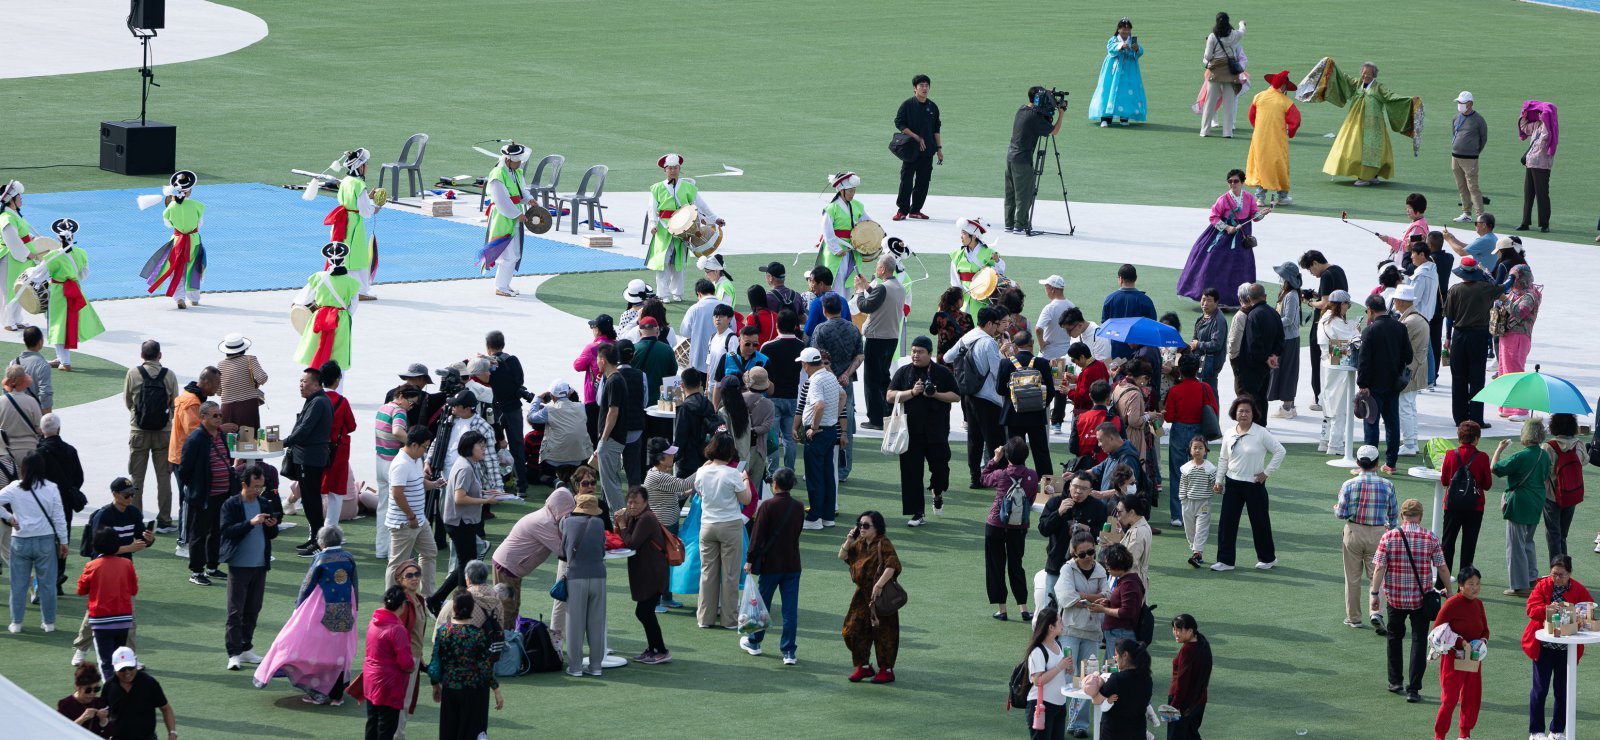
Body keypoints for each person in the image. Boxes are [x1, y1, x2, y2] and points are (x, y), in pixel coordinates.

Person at [252, 526, 358, 705]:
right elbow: (354, 584)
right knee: (338, 653)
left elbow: (307, 585)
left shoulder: (321, 559)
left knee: (309, 647)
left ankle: (319, 692)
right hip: (345, 609)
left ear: (321, 541)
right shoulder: (348, 557)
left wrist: (298, 607)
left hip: (321, 610)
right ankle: (337, 696)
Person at [1298, 58, 1423, 185]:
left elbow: (1391, 97)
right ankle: (1367, 175)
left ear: (1374, 75)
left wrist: (1409, 100)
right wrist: (1332, 66)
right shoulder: (1357, 84)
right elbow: (1344, 79)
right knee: (1355, 147)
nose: (1365, 76)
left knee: (1372, 149)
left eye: (1368, 74)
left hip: (1374, 125)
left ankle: (1368, 176)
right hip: (1355, 122)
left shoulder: (1379, 88)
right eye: (1364, 73)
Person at [1372, 498, 1449, 702]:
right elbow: (1441, 568)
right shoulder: (1430, 537)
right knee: (1418, 641)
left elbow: (1379, 568)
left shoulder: (1388, 537)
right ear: (1421, 516)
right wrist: (1449, 592)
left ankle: (1395, 681)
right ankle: (1414, 689)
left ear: (1401, 516)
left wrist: (1373, 594)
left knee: (1394, 637)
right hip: (1420, 599)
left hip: (1395, 598)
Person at [70, 479, 152, 666]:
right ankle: (81, 649)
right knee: (94, 614)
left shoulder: (133, 512)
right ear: (115, 494)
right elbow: (96, 550)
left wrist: (149, 539)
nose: (131, 497)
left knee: (129, 618)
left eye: (133, 493)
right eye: (127, 494)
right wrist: (127, 548)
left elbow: (141, 540)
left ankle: (130, 658)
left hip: (123, 571)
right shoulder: (104, 515)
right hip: (103, 571)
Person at [887, 336, 958, 525]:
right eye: (913, 351)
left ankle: (937, 492)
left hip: (937, 431)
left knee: (941, 470)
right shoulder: (903, 372)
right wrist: (912, 392)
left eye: (920, 352)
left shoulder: (942, 372)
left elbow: (956, 396)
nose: (915, 355)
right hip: (910, 432)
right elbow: (890, 395)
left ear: (929, 353)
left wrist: (935, 394)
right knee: (911, 473)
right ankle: (917, 513)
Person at [1178, 171, 1272, 308]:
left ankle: (1238, 299)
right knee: (1214, 265)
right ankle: (1216, 298)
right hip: (1222, 237)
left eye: (1236, 181)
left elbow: (1254, 216)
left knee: (1241, 266)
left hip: (1240, 238)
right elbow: (1214, 217)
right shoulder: (1223, 199)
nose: (1232, 184)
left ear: (1242, 182)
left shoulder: (1249, 198)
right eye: (1230, 181)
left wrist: (1262, 214)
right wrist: (1227, 228)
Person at [1211, 397, 1284, 571]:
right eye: (1240, 411)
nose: (1243, 414)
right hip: (1232, 483)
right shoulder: (1229, 433)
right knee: (1227, 523)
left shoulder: (1261, 433)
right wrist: (1219, 480)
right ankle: (1225, 561)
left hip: (1254, 485)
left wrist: (1266, 473)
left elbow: (1280, 451)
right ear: (1235, 413)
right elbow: (1223, 458)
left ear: (1253, 414)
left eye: (1247, 411)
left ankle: (1268, 558)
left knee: (1260, 522)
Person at [426, 431, 495, 614]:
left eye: (484, 445)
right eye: (480, 445)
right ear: (469, 447)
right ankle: (457, 603)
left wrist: (485, 496)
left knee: (465, 564)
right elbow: (460, 498)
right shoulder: (465, 467)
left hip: (462, 521)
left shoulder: (468, 464)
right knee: (467, 565)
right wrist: (485, 501)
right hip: (460, 522)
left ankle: (441, 600)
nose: (484, 449)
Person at [1523, 554, 1591, 740]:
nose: (1557, 578)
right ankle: (1536, 731)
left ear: (1570, 573)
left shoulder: (1578, 589)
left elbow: (1589, 609)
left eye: (1561, 574)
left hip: (1566, 650)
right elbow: (1530, 609)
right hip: (1544, 647)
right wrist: (1549, 609)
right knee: (1540, 690)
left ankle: (1557, 730)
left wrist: (1579, 615)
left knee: (1563, 691)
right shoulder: (1543, 586)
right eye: (1554, 574)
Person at [491, 485, 575, 629]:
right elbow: (562, 550)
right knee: (507, 608)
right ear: (558, 507)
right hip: (507, 565)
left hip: (512, 566)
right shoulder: (544, 522)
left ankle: (508, 640)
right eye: (567, 512)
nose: (568, 517)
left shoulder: (549, 517)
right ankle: (503, 643)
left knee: (513, 606)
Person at [1, 450, 67, 632]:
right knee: (47, 585)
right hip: (45, 540)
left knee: (18, 584)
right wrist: (64, 541)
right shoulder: (51, 487)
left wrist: (8, 517)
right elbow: (59, 517)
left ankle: (16, 623)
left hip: (20, 540)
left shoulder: (14, 487)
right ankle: (49, 623)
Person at [744, 467, 804, 664]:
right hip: (793, 564)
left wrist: (749, 559)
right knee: (790, 610)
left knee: (761, 605)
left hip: (770, 565)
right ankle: (788, 652)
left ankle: (755, 642)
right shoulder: (798, 507)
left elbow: (757, 536)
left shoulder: (767, 506)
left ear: (775, 484)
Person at [219, 464, 276, 670]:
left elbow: (272, 534)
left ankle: (245, 648)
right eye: (255, 486)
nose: (259, 490)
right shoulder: (231, 505)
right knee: (235, 611)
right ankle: (233, 653)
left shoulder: (264, 503)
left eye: (261, 486)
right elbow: (226, 531)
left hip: (260, 565)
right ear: (244, 484)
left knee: (253, 609)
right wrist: (250, 523)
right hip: (239, 565)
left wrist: (272, 527)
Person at [1336, 445, 1399, 631]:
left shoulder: (1349, 484)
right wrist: (1387, 529)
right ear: (1377, 463)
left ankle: (1354, 618)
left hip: (1354, 532)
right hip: (1379, 533)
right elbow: (1394, 514)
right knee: (1377, 577)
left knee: (1352, 578)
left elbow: (1341, 513)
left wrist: (1336, 509)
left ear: (1357, 463)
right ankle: (1376, 613)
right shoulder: (1387, 485)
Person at [645, 154, 723, 303]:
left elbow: (701, 205)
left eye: (676, 168)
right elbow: (651, 208)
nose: (673, 171)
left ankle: (677, 293)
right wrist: (653, 225)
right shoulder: (657, 188)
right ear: (665, 170)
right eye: (670, 168)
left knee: (678, 262)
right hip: (663, 228)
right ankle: (663, 294)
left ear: (679, 169)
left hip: (684, 229)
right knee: (663, 262)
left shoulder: (688, 187)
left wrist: (715, 219)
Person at [945, 306, 1007, 489]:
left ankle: (975, 478)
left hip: (969, 396)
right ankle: (1001, 477)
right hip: (988, 398)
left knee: (974, 440)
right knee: (995, 440)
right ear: (989, 323)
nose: (997, 328)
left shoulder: (967, 337)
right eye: (996, 324)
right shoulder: (988, 342)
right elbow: (997, 372)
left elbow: (948, 357)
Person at [695, 432, 751, 628]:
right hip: (730, 526)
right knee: (730, 575)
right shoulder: (733, 474)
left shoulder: (702, 472)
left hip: (707, 526)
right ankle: (729, 619)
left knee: (707, 574)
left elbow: (700, 491)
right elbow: (746, 499)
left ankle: (704, 618)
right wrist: (745, 480)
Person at [428, 591, 503, 738]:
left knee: (449, 731)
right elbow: (484, 666)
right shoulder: (478, 634)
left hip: (450, 689)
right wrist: (496, 689)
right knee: (470, 732)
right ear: (472, 609)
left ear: (453, 609)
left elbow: (435, 660)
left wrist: (435, 684)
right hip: (473, 691)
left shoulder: (443, 632)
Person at [176, 401, 236, 585]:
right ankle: (196, 571)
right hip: (203, 496)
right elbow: (184, 470)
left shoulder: (221, 436)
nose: (219, 419)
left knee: (216, 532)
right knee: (199, 534)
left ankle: (212, 566)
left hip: (222, 494)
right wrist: (196, 487)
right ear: (203, 418)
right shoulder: (195, 439)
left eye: (220, 415)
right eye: (214, 415)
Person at [123, 340, 179, 532]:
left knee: (136, 478)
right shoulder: (169, 375)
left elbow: (128, 401)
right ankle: (164, 519)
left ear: (141, 355)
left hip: (138, 431)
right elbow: (174, 405)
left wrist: (138, 415)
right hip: (164, 433)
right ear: (159, 355)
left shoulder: (133, 373)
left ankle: (136, 518)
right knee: (164, 478)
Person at [839, 510, 901, 684]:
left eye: (866, 525)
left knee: (885, 633)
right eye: (859, 525)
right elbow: (842, 556)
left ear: (877, 528)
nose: (862, 528)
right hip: (861, 594)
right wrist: (849, 540)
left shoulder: (883, 543)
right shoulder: (858, 543)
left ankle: (886, 669)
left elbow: (892, 565)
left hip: (880, 596)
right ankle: (863, 666)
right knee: (851, 630)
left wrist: (879, 585)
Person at [1495, 420, 1553, 597]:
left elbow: (1495, 468)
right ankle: (1531, 577)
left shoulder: (1521, 456)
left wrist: (1499, 449)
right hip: (1536, 501)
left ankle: (1519, 585)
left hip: (1520, 503)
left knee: (1515, 545)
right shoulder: (1544, 455)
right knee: (1528, 541)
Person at [982, 438, 1038, 621]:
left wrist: (994, 459)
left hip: (996, 524)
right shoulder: (1032, 476)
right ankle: (1023, 608)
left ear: (1007, 455)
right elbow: (1030, 500)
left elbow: (983, 479)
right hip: (1018, 526)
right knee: (1016, 566)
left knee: (995, 566)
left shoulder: (1000, 474)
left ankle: (1002, 609)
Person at [37, 219, 104, 369]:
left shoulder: (53, 255)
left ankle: (65, 361)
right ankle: (61, 357)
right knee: (68, 323)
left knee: (58, 326)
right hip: (75, 290)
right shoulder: (81, 253)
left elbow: (39, 276)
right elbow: (85, 273)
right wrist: (73, 279)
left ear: (58, 238)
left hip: (58, 293)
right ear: (73, 236)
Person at [385, 426, 443, 597]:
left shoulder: (416, 459)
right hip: (404, 522)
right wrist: (411, 517)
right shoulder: (401, 464)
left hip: (418, 519)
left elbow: (418, 482)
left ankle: (428, 596)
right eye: (424, 446)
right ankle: (391, 600)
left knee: (429, 552)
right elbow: (397, 494)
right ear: (415, 445)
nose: (425, 450)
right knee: (397, 563)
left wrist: (433, 484)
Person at [1356, 293, 1411, 473]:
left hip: (1372, 385)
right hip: (1394, 383)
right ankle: (1391, 464)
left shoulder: (1370, 331)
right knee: (1392, 423)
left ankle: (1369, 464)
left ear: (1370, 311)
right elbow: (1408, 356)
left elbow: (1363, 360)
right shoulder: (1400, 327)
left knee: (1371, 423)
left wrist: (1362, 383)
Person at [615, 486, 671, 663]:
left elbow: (631, 543)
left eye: (636, 503)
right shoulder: (636, 517)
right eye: (629, 502)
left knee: (644, 612)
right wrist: (620, 524)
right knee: (644, 612)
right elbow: (624, 540)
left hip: (653, 573)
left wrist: (622, 525)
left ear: (645, 502)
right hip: (647, 572)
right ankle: (652, 649)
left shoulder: (646, 518)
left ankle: (661, 650)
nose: (632, 506)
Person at [76, 526, 137, 682]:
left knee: (106, 663)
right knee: (119, 660)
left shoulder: (92, 566)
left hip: (101, 620)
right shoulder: (126, 564)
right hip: (123, 619)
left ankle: (111, 694)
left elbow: (81, 590)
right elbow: (134, 589)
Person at [138, 170, 206, 308]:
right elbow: (200, 223)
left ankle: (179, 298)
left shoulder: (170, 207)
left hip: (177, 241)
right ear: (190, 190)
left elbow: (168, 224)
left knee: (176, 269)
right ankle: (194, 298)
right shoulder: (197, 205)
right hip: (194, 241)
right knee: (194, 268)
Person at [1432, 566, 1486, 740]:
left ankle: (1465, 734)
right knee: (1449, 699)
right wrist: (1459, 641)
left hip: (1473, 657)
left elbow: (1485, 630)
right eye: (1471, 584)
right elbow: (1437, 631)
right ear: (1461, 586)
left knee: (1471, 697)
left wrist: (1482, 641)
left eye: (1478, 584)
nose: (1475, 587)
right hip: (1453, 659)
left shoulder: (1478, 604)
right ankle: (1440, 736)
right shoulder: (1452, 604)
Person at [283, 367, 333, 555]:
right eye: (300, 382)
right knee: (310, 500)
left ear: (316, 384)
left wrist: (283, 442)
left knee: (312, 501)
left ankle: (318, 543)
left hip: (310, 457)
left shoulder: (318, 402)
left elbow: (304, 429)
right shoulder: (316, 400)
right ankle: (315, 540)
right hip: (309, 456)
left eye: (304, 382)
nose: (301, 385)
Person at [852, 255, 906, 430]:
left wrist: (860, 290)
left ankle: (875, 419)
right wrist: (868, 286)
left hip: (877, 338)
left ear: (883, 269)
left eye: (877, 266)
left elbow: (865, 306)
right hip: (891, 337)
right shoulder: (898, 286)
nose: (876, 268)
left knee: (872, 380)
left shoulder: (883, 288)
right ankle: (887, 414)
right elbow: (879, 299)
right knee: (884, 378)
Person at [1444, 256, 1499, 426]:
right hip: (1479, 336)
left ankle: (1459, 417)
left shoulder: (1454, 290)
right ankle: (1476, 418)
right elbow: (1504, 287)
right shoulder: (1485, 288)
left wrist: (1447, 337)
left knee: (1458, 378)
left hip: (1459, 336)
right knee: (1477, 379)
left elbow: (1449, 318)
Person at [1006, 87, 1067, 235]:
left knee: (1011, 193)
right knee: (1024, 194)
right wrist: (1061, 114)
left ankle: (1009, 223)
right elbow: (1054, 131)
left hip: (1010, 157)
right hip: (1022, 160)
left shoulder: (1022, 110)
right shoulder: (1034, 117)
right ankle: (1020, 225)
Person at [291, 243, 361, 370]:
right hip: (341, 318)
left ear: (328, 260)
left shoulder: (319, 277)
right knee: (338, 355)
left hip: (320, 316)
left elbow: (305, 298)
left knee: (314, 347)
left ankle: (313, 376)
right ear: (344, 259)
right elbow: (353, 306)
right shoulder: (352, 282)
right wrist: (344, 315)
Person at [1239, 70, 1303, 207]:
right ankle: (1282, 196)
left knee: (1260, 165)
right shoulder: (1286, 102)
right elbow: (1295, 120)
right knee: (1279, 165)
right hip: (1277, 140)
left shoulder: (1258, 97)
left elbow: (1251, 116)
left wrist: (1259, 129)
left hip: (1259, 138)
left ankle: (1260, 198)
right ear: (1284, 86)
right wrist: (1290, 131)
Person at [560, 492, 608, 677]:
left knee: (575, 624)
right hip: (598, 576)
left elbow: (564, 549)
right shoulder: (599, 523)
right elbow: (602, 548)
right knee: (596, 623)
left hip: (576, 576)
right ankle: (596, 666)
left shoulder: (567, 522)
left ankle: (576, 667)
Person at [323, 148, 381, 298]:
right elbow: (365, 211)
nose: (367, 167)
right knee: (357, 257)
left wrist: (367, 198)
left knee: (342, 255)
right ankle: (359, 291)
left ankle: (340, 287)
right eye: (366, 164)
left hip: (342, 221)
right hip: (353, 224)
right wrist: (376, 208)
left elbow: (352, 201)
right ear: (360, 166)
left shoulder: (346, 181)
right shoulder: (359, 184)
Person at [478, 142, 534, 297]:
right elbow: (502, 201)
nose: (520, 163)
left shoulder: (517, 172)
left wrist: (529, 199)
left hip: (514, 215)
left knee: (515, 254)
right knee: (507, 255)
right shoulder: (497, 175)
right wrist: (517, 214)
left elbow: (522, 191)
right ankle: (500, 287)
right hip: (502, 218)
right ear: (508, 160)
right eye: (517, 161)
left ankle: (504, 285)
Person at [796, 347, 843, 528]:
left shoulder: (815, 380)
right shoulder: (829, 376)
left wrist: (814, 428)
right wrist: (834, 417)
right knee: (827, 474)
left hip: (819, 432)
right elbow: (842, 395)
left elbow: (820, 404)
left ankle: (814, 518)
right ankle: (827, 516)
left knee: (815, 476)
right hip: (830, 430)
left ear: (805, 364)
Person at [1438, 421, 1491, 579]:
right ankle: (1465, 582)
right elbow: (1487, 485)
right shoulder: (1482, 457)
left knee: (1447, 543)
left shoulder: (1449, 454)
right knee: (1469, 545)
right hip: (1475, 507)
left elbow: (1445, 481)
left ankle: (1442, 582)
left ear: (1459, 437)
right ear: (1476, 438)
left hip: (1452, 504)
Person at [361, 586, 414, 740]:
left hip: (371, 680)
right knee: (386, 727)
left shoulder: (374, 621)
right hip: (389, 685)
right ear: (402, 605)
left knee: (372, 722)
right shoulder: (397, 629)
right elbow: (406, 663)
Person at [999, 332, 1055, 478]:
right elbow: (1051, 390)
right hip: (1036, 415)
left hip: (1013, 415)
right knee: (1041, 451)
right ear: (1032, 344)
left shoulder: (1006, 363)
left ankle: (1017, 480)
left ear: (1015, 346)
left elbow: (1000, 389)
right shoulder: (1042, 363)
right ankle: (1046, 485)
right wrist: (1041, 405)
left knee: (1015, 452)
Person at [590, 343, 637, 512]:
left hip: (611, 439)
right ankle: (616, 519)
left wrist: (603, 438)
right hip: (613, 438)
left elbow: (613, 412)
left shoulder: (614, 380)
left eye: (597, 360)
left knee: (610, 485)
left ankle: (620, 520)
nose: (597, 363)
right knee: (611, 482)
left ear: (603, 360)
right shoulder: (615, 379)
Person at [372, 387, 416, 561]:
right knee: (396, 508)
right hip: (392, 463)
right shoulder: (399, 411)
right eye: (410, 402)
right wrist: (414, 444)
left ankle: (381, 549)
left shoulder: (383, 408)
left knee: (383, 507)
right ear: (400, 397)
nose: (410, 407)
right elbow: (397, 431)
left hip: (380, 460)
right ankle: (394, 552)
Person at [1496, 265, 1542, 422]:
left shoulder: (1530, 295)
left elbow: (1519, 312)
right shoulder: (1515, 293)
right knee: (1504, 371)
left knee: (1515, 372)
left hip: (1519, 336)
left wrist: (1503, 299)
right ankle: (1508, 406)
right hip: (1507, 334)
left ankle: (1521, 410)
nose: (1512, 280)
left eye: (1514, 277)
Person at [894, 74, 943, 220]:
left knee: (923, 182)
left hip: (928, 152)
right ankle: (902, 210)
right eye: (921, 85)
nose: (924, 88)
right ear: (915, 88)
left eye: (926, 85)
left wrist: (939, 149)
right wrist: (916, 137)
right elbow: (899, 123)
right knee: (906, 181)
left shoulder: (932, 107)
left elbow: (936, 129)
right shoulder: (907, 105)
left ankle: (915, 210)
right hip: (910, 151)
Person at [101, 648, 177, 740]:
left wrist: (172, 733)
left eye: (130, 667)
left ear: (136, 662)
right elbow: (104, 712)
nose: (127, 672)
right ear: (114, 667)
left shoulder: (149, 683)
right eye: (122, 669)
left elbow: (165, 708)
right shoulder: (109, 686)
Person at [1084, 640, 1152, 739]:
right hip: (1137, 732)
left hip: (1114, 733)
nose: (1115, 658)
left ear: (1125, 655)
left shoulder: (1116, 679)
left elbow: (1096, 700)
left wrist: (1100, 682)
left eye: (1116, 654)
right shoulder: (1147, 679)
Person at [1022, 604, 1071, 740]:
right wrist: (1060, 667)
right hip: (1042, 705)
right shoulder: (1038, 651)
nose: (1062, 624)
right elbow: (1038, 680)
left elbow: (1058, 673)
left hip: (1059, 704)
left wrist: (1067, 668)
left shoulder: (1058, 645)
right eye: (1059, 621)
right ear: (1050, 627)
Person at [816, 172, 870, 291]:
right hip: (837, 247)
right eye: (850, 191)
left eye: (854, 191)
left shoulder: (857, 206)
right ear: (841, 191)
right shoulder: (831, 208)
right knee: (837, 278)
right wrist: (835, 248)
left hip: (853, 248)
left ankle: (845, 305)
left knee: (850, 278)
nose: (853, 194)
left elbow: (868, 224)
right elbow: (827, 230)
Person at [1088, 17, 1146, 128]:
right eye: (1123, 29)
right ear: (1118, 30)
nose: (1126, 32)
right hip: (1112, 72)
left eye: (1128, 30)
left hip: (1129, 71)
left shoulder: (1133, 41)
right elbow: (1110, 48)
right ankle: (1105, 118)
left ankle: (1124, 117)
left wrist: (1137, 48)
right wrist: (1120, 46)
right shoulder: (1114, 40)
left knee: (1125, 93)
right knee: (1108, 91)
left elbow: (1140, 52)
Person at [1394, 284, 1430, 456]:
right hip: (1416, 368)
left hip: (1409, 370)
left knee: (1405, 407)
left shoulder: (1409, 322)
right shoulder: (1416, 317)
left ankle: (1409, 443)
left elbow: (1399, 346)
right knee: (1409, 406)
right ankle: (1411, 441)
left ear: (1400, 301)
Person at [1546, 414, 1588, 559]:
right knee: (1563, 534)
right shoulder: (1579, 445)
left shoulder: (1549, 447)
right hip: (1571, 494)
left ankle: (1556, 569)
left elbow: (1544, 469)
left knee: (1553, 533)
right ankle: (1564, 566)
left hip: (1551, 495)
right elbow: (1584, 460)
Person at [1199, 13, 1246, 137]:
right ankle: (1227, 132)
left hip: (1215, 72)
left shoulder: (1212, 36)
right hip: (1230, 72)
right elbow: (1242, 31)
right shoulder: (1234, 35)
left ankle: (1205, 130)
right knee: (1229, 103)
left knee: (1210, 102)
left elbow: (1208, 56)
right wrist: (1241, 23)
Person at [950, 217, 1006, 322]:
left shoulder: (989, 253)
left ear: (974, 236)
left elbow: (1001, 271)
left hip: (984, 299)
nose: (961, 237)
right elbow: (955, 283)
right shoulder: (957, 255)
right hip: (964, 301)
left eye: (964, 234)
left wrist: (997, 261)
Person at [1167, 614, 1213, 740]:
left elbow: (1182, 683)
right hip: (1198, 701)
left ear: (1190, 631)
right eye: (1174, 629)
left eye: (1179, 630)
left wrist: (1173, 706)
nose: (1175, 633)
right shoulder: (1202, 644)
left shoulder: (1187, 650)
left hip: (1182, 703)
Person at [1266, 263, 1303, 419]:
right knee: (1286, 370)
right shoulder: (1286, 293)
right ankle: (1289, 405)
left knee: (1287, 371)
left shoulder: (1292, 295)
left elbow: (1288, 319)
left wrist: (1272, 322)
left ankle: (1287, 407)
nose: (1280, 279)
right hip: (1285, 338)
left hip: (1289, 339)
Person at [1100, 264, 1158, 360]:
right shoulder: (1145, 300)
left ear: (1121, 279)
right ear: (1135, 278)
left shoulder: (1110, 299)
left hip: (1118, 352)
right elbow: (1152, 326)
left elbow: (1105, 326)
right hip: (1141, 353)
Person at [1516, 100, 1557, 232]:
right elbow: (1523, 127)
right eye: (1538, 113)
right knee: (1528, 194)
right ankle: (1525, 222)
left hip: (1541, 166)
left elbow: (1547, 136)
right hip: (1530, 164)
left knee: (1542, 195)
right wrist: (1525, 112)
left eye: (1541, 113)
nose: (1539, 115)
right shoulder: (1536, 126)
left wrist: (1545, 115)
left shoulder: (1549, 127)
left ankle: (1544, 224)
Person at [1176, 437, 1217, 568]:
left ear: (1206, 450)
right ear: (1190, 450)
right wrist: (1182, 499)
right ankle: (1196, 552)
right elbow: (1183, 484)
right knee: (1189, 529)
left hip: (1203, 503)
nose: (1198, 450)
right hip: (1188, 503)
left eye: (1201, 448)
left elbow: (1214, 484)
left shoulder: (1210, 468)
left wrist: (1218, 488)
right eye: (1195, 448)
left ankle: (1197, 553)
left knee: (1201, 528)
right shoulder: (1186, 468)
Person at [574, 313, 616, 440]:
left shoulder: (592, 348)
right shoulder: (617, 344)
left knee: (593, 435)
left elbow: (577, 366)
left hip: (593, 397)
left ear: (598, 330)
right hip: (614, 395)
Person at [1449, 91, 1489, 223]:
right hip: (1455, 157)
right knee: (1461, 186)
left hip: (1470, 159)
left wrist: (1475, 151)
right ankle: (1466, 213)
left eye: (1462, 103)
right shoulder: (1456, 118)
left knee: (1473, 187)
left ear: (1470, 104)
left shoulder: (1479, 120)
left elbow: (1483, 138)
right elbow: (1454, 133)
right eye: (1459, 102)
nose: (1459, 105)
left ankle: (1480, 215)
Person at [213, 334, 268, 429]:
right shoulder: (250, 359)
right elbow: (262, 378)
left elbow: (218, 392)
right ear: (243, 348)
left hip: (227, 408)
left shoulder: (220, 365)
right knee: (249, 439)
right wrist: (254, 383)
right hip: (248, 407)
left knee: (229, 440)